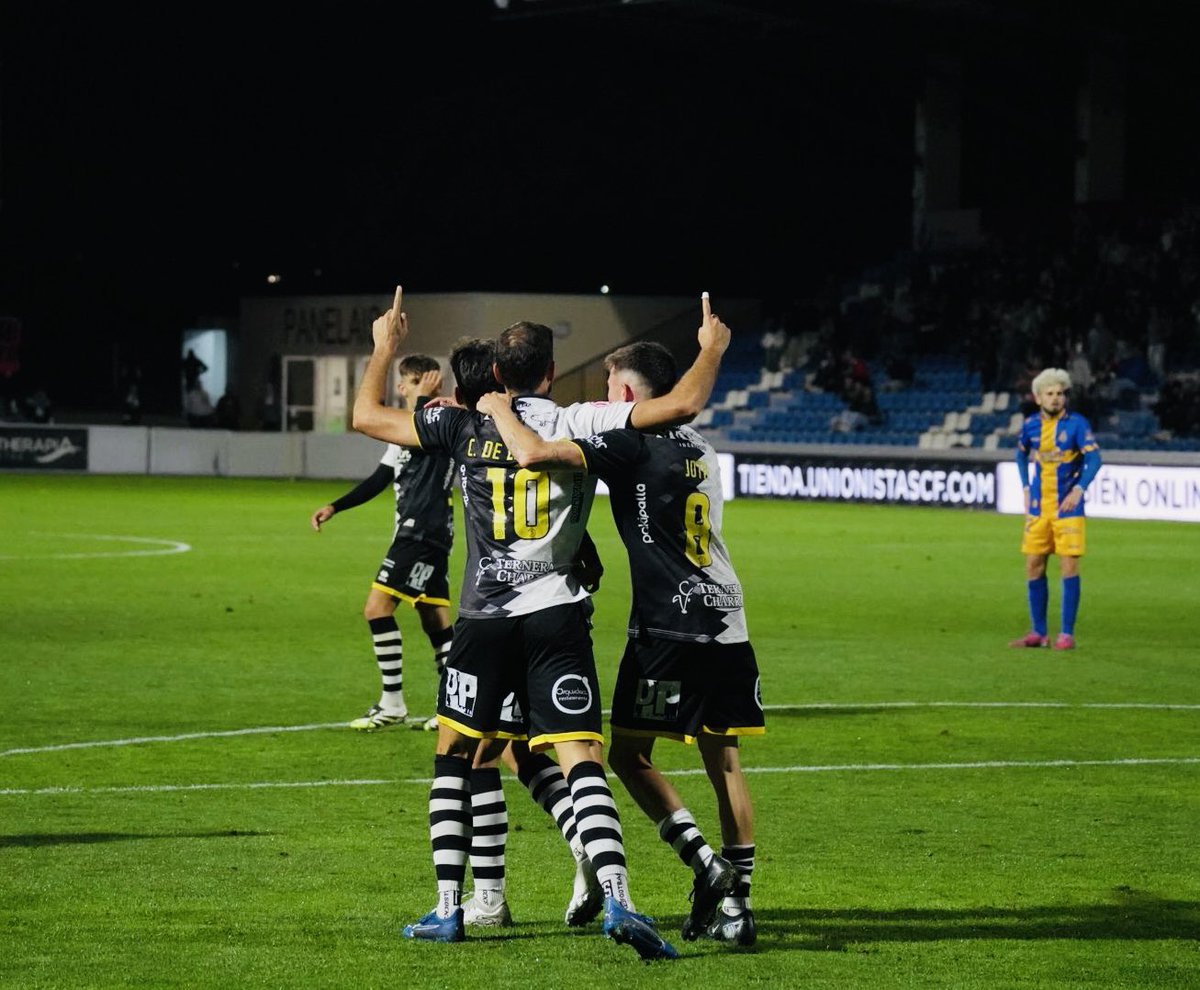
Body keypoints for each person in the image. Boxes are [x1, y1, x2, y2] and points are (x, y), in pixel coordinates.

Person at [351, 286, 728, 958]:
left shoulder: (462, 425)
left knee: (457, 754)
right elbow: (682, 405)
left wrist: (384, 346)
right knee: (580, 757)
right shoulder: (582, 420)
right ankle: (619, 898)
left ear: (496, 373)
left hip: (481, 619)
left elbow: (366, 418)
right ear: (551, 373)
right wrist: (711, 350)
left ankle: (449, 908)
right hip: (557, 618)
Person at [478, 338, 762, 948]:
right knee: (727, 763)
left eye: (610, 390)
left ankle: (702, 863)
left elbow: (536, 455)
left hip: (667, 628)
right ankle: (737, 908)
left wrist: (493, 406)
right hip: (728, 619)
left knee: (629, 757)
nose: (604, 400)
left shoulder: (628, 442)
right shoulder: (703, 450)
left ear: (628, 396)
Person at [312, 355, 454, 730]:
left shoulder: (439, 421)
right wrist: (335, 506)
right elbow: (378, 480)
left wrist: (425, 398)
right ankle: (453, 708)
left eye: (406, 382)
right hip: (429, 533)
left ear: (423, 383)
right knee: (435, 619)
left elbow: (430, 427)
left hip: (420, 531)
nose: (400, 389)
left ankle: (392, 704)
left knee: (377, 608)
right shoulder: (406, 428)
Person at [1009, 367, 1102, 650]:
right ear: (1038, 398)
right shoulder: (1030, 426)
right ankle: (1038, 632)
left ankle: (1066, 633)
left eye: (1060, 394)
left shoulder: (1076, 424)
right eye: (1050, 394)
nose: (1056, 399)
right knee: (1034, 565)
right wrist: (1026, 487)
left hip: (1067, 509)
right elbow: (1020, 454)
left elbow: (1095, 459)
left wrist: (1079, 489)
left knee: (1068, 567)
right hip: (1038, 508)